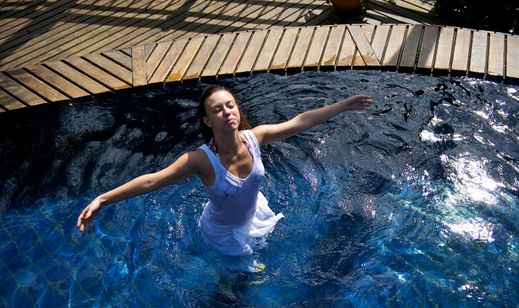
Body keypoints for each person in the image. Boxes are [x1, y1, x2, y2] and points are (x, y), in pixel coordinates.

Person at [77, 86, 373, 258]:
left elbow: (299, 122)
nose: (227, 112)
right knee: (241, 278)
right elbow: (152, 180)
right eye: (217, 110)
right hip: (223, 232)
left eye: (230, 105)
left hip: (253, 213)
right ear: (207, 120)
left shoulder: (255, 138)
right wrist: (103, 199)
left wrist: (343, 105)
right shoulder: (200, 160)